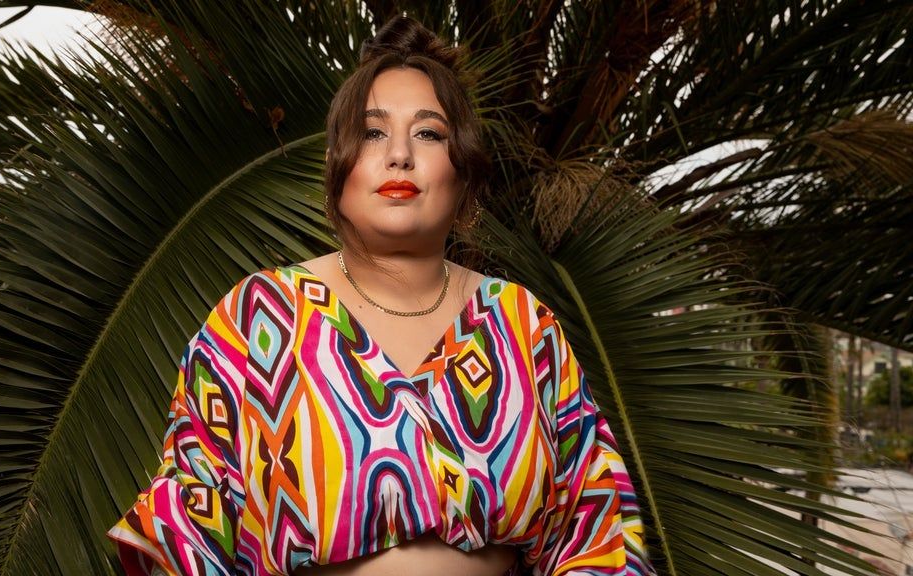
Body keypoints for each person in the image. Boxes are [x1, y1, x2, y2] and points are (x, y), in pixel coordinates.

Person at [108, 15, 651, 576]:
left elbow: (599, 528)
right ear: (334, 165)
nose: (399, 155)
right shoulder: (259, 317)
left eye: (429, 133)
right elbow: (190, 525)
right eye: (371, 132)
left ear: (464, 173)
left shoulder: (524, 324)